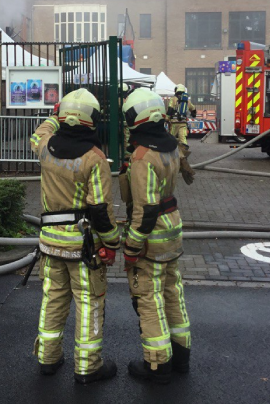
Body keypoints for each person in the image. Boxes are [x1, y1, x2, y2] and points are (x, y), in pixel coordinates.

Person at [29, 88, 121, 384]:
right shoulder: (95, 158)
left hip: (50, 243)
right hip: (84, 248)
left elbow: (37, 133)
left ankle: (48, 358)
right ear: (92, 121)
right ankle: (88, 367)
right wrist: (112, 243)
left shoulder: (45, 146)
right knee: (89, 303)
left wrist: (55, 116)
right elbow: (100, 210)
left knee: (53, 299)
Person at [121, 88, 191, 384]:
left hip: (151, 237)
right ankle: (181, 356)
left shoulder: (142, 156)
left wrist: (131, 247)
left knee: (149, 300)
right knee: (173, 294)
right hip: (173, 230)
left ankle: (157, 364)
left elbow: (144, 210)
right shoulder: (172, 146)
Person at [166, 85, 197, 185]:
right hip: (183, 123)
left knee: (171, 139)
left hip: (174, 123)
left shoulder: (173, 99)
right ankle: (184, 156)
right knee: (183, 140)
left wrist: (166, 118)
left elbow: (170, 110)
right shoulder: (186, 101)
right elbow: (193, 109)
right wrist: (193, 114)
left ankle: (171, 156)